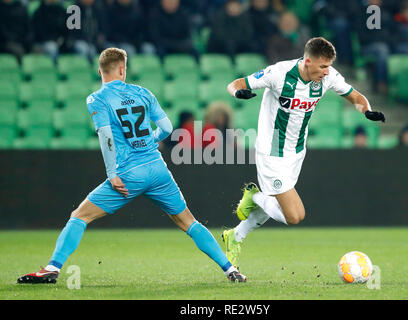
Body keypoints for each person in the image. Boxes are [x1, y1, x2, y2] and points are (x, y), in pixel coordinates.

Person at [17, 48, 247, 284]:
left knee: (80, 216)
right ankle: (231, 270)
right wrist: (149, 140)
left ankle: (52, 268)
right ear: (122, 69)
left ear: (100, 71)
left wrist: (112, 174)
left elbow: (106, 138)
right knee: (189, 222)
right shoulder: (143, 93)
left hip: (128, 173)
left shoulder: (97, 99)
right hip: (158, 170)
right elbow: (167, 128)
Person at [222, 37, 385, 268]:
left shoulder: (328, 76)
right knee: (295, 215)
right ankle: (254, 197)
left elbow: (355, 96)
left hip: (296, 151)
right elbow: (236, 83)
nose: (327, 72)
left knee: (279, 203)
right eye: (322, 67)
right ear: (307, 61)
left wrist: (367, 111)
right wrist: (238, 93)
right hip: (272, 151)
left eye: (329, 66)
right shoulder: (279, 73)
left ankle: (235, 236)